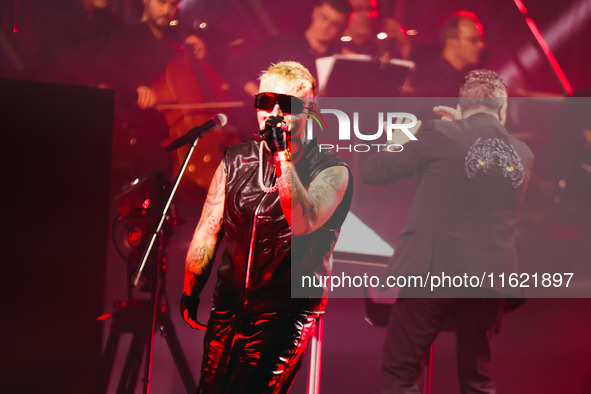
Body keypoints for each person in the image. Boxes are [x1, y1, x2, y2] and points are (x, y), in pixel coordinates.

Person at [180, 61, 352, 393]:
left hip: (283, 314)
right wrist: (192, 285)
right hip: (229, 308)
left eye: (286, 105)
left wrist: (281, 155)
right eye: (264, 102)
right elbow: (208, 227)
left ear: (309, 110)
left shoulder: (331, 170)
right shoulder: (235, 159)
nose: (272, 112)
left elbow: (301, 221)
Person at [362, 70, 534, 393]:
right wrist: (460, 127)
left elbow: (374, 171)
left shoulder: (439, 134)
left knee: (398, 375)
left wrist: (398, 141)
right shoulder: (524, 154)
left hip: (434, 272)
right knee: (476, 380)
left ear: (462, 104)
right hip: (490, 281)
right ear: (503, 111)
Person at [235, 0, 352, 97]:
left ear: (342, 26)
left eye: (335, 23)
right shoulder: (282, 45)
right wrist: (261, 97)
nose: (326, 26)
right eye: (324, 17)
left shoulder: (341, 58)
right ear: (315, 12)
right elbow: (237, 70)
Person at [412, 11, 486, 97]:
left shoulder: (461, 79)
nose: (481, 45)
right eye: (473, 39)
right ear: (451, 42)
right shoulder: (432, 81)